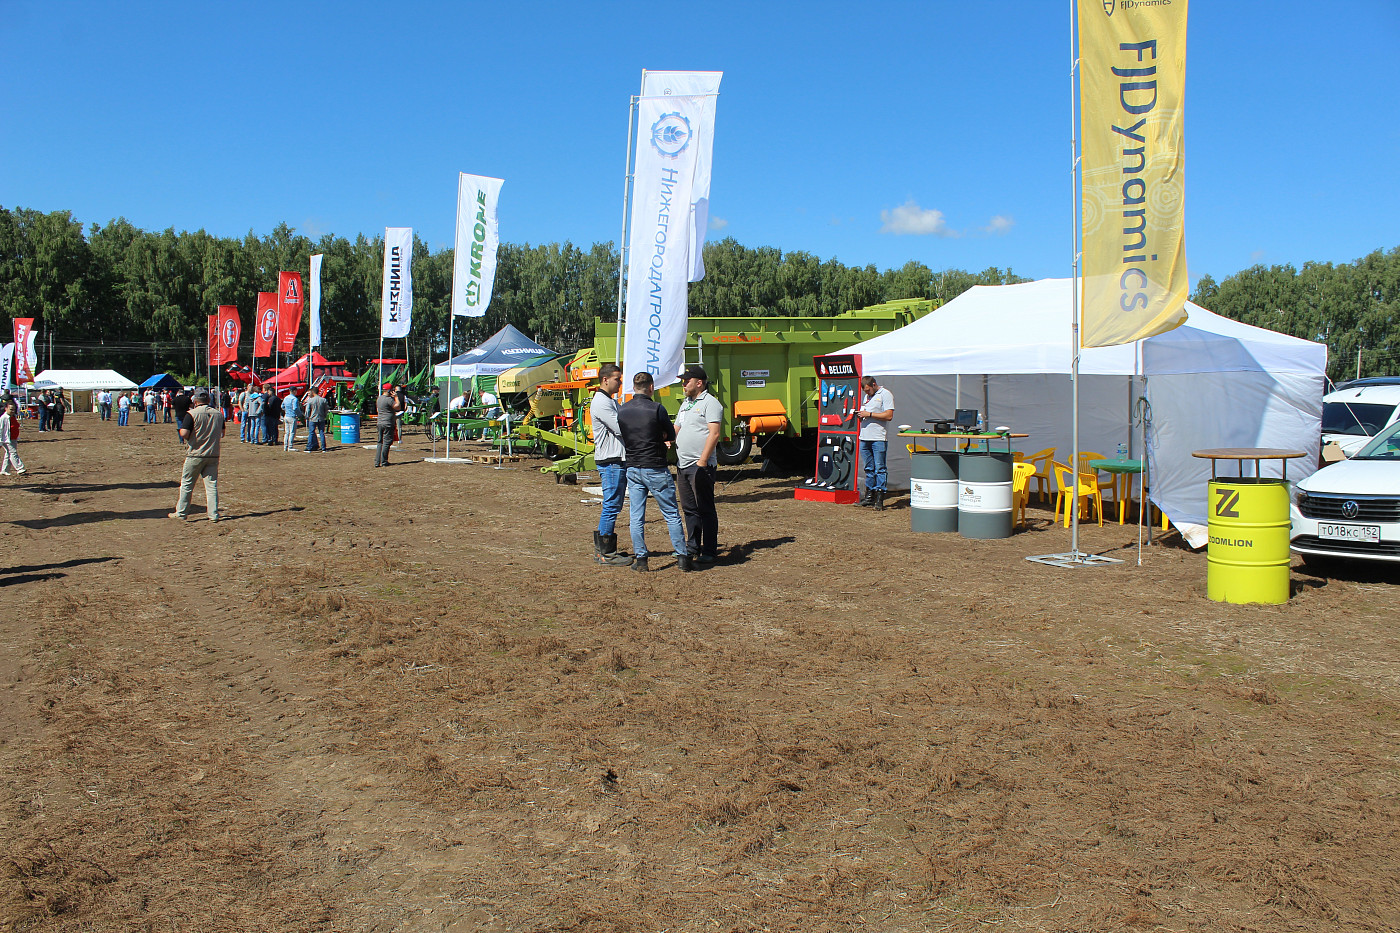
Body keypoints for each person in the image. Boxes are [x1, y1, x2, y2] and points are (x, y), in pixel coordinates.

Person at [617, 371, 691, 572]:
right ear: (651, 388)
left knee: (636, 515)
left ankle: (641, 560)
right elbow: (670, 434)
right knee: (671, 514)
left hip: (633, 467)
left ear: (633, 388)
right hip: (655, 466)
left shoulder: (622, 411)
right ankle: (682, 557)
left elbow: (625, 435)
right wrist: (661, 435)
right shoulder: (657, 408)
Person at [673, 364, 723, 564]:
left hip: (699, 466)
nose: (684, 384)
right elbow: (677, 427)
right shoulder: (686, 403)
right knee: (689, 508)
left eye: (687, 381)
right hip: (683, 464)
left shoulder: (710, 403)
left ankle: (709, 550)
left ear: (699, 383)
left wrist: (702, 461)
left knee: (705, 508)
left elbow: (714, 433)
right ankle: (692, 546)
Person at [589, 363, 630, 565]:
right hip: (611, 460)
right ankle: (605, 553)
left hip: (614, 459)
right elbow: (620, 427)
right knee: (612, 505)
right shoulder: (602, 402)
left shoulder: (608, 400)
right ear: (605, 379)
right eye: (617, 379)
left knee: (613, 504)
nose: (620, 383)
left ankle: (603, 550)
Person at [169, 387, 225, 522]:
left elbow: (184, 433)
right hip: (213, 454)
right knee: (211, 486)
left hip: (195, 454)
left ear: (195, 400)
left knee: (187, 484)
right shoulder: (218, 414)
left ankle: (181, 512)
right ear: (209, 399)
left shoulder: (191, 414)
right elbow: (222, 433)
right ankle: (213, 514)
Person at [856, 374, 895, 510]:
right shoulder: (867, 397)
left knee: (880, 468)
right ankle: (869, 496)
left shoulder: (885, 394)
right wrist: (861, 415)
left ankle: (880, 497)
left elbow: (889, 415)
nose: (866, 393)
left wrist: (870, 414)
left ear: (873, 385)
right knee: (868, 468)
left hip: (878, 438)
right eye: (865, 391)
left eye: (868, 390)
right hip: (864, 436)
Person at [374, 382, 402, 467]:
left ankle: (377, 461)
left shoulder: (379, 398)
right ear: (389, 391)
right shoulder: (389, 399)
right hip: (388, 423)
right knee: (386, 442)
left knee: (380, 442)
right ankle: (384, 461)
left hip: (380, 422)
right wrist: (396, 397)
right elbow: (398, 407)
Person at [0, 399, 26, 476]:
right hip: (6, 439)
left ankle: (4, 470)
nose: (12, 411)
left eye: (14, 409)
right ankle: (20, 468)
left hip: (13, 438)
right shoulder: (3, 418)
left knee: (8, 454)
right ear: (6, 408)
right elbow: (0, 429)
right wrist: (0, 441)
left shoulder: (12, 417)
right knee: (13, 453)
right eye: (11, 409)